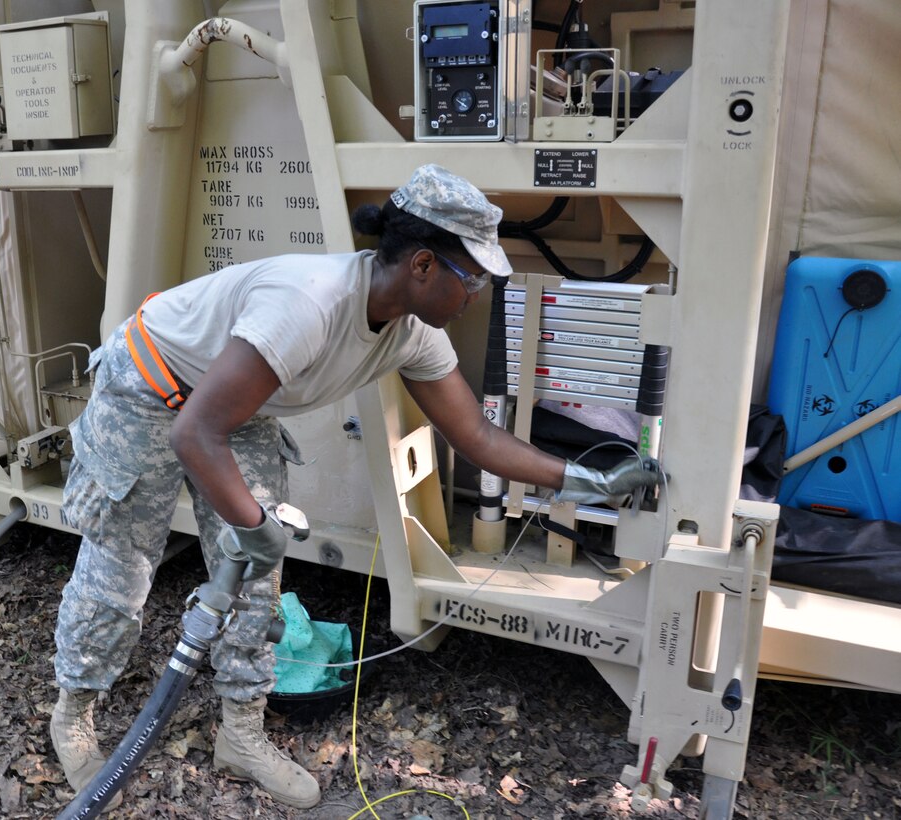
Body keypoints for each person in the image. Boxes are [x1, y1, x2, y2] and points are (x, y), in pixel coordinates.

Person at [50, 164, 662, 810]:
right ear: (423, 265)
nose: (478, 292)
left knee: (258, 577)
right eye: (473, 276)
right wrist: (253, 524)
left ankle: (241, 734)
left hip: (231, 408)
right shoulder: (309, 304)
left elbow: (477, 439)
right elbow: (196, 434)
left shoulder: (412, 334)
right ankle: (73, 715)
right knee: (123, 574)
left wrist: (589, 478)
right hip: (149, 386)